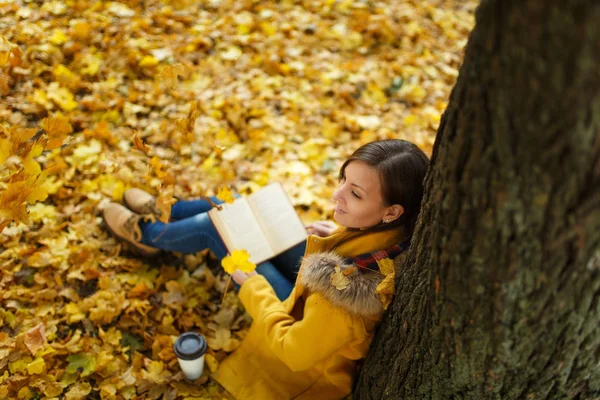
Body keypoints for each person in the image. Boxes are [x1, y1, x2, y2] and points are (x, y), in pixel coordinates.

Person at [103, 139, 429, 399]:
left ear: (391, 212)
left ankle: (148, 235)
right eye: (343, 179)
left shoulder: (346, 303)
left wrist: (252, 285)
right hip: (315, 292)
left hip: (305, 335)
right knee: (235, 206)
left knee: (218, 228)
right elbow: (365, 249)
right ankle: (168, 212)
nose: (336, 194)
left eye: (354, 194)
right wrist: (338, 238)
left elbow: (294, 352)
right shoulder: (397, 233)